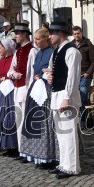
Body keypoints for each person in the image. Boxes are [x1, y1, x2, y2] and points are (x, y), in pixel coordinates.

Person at [45, 21, 82, 179]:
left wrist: (66, 98)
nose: (49, 36)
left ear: (60, 34)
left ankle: (72, 167)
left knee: (69, 133)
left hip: (67, 98)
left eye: (51, 33)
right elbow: (50, 71)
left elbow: (73, 77)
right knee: (61, 134)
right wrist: (49, 76)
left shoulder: (72, 51)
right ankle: (63, 164)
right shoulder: (56, 52)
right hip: (56, 95)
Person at [19, 27, 58, 168]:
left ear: (46, 38)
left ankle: (48, 155)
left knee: (44, 122)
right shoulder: (37, 53)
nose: (35, 41)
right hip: (35, 89)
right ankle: (35, 153)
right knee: (33, 122)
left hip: (45, 91)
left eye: (38, 39)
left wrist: (43, 76)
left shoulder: (52, 53)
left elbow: (51, 71)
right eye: (34, 39)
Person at [7, 23, 33, 154]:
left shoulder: (32, 50)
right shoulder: (17, 51)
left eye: (17, 33)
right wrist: (13, 74)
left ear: (24, 34)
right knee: (18, 120)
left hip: (26, 88)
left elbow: (32, 72)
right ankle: (21, 148)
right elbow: (10, 70)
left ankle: (27, 149)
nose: (15, 36)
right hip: (17, 89)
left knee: (25, 120)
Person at [72, 26, 94, 126]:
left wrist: (88, 73)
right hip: (74, 76)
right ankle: (75, 120)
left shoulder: (88, 45)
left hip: (84, 76)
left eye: (78, 33)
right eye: (75, 34)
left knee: (82, 98)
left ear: (81, 33)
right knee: (74, 98)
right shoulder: (71, 45)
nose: (77, 35)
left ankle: (82, 121)